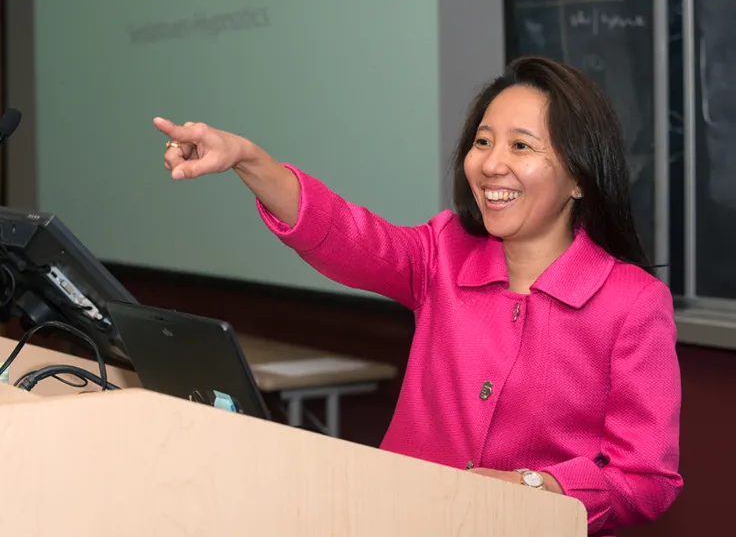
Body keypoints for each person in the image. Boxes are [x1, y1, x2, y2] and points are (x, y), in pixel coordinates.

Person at [153, 56, 682, 535]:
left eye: (521, 145)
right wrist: (248, 160)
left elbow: (644, 477)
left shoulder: (632, 303)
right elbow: (345, 234)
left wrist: (535, 488)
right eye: (482, 140)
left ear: (579, 179)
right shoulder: (444, 251)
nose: (491, 163)